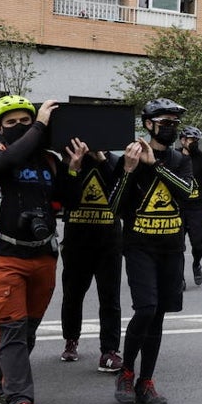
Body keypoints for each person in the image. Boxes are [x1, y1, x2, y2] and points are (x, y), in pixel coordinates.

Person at [0, 95, 71, 404]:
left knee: (27, 329)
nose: (19, 127)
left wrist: (74, 167)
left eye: (25, 121)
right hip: (6, 255)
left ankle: (6, 381)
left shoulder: (50, 161)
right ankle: (20, 401)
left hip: (44, 254)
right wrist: (41, 125)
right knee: (13, 329)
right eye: (11, 122)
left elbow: (66, 200)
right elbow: (7, 162)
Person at [108, 98, 194, 404]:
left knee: (158, 317)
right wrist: (130, 171)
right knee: (145, 309)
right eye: (164, 122)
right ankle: (126, 372)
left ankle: (147, 381)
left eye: (174, 122)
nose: (170, 127)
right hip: (139, 247)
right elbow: (115, 208)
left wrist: (155, 166)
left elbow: (186, 192)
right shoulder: (127, 157)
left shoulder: (179, 159)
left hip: (171, 249)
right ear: (148, 124)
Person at [57, 142, 124, 370]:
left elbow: (119, 193)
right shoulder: (70, 160)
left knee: (110, 298)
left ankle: (109, 351)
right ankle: (71, 339)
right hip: (77, 241)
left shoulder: (115, 161)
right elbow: (65, 200)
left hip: (109, 243)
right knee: (72, 295)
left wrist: (102, 159)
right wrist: (74, 167)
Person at [179, 126, 202, 286]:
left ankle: (196, 264)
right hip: (178, 208)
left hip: (197, 208)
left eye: (196, 140)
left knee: (198, 243)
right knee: (177, 246)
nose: (194, 143)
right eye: (191, 140)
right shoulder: (174, 157)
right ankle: (179, 277)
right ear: (183, 140)